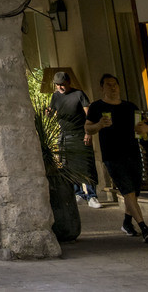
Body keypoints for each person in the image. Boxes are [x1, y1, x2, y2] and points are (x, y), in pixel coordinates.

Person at [86, 74, 148, 244]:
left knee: (134, 191)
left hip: (133, 152)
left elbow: (139, 130)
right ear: (102, 88)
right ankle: (144, 228)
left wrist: (144, 129)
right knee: (127, 190)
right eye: (108, 84)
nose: (112, 87)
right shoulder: (97, 107)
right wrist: (99, 125)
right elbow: (88, 129)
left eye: (115, 84)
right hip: (112, 155)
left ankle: (127, 223)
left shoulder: (130, 106)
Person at [49, 71, 99, 208]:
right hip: (65, 135)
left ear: (69, 82)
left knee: (86, 165)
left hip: (80, 133)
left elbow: (89, 115)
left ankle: (92, 196)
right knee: (70, 166)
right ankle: (78, 194)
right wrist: (48, 113)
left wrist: (88, 132)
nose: (60, 87)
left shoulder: (79, 94)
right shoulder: (55, 96)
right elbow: (50, 113)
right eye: (57, 85)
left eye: (62, 84)